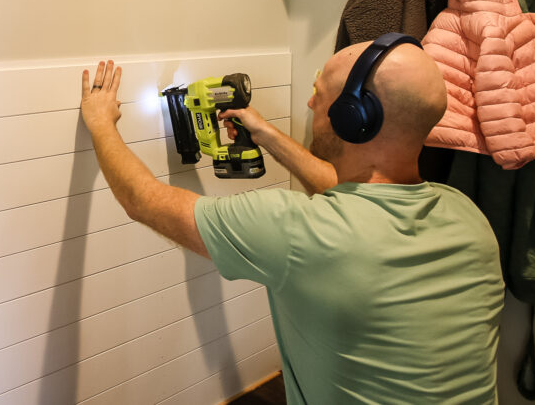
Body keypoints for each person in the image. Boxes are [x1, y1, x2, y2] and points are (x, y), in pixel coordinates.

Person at [79, 37, 504, 404]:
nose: (310, 101)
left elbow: (142, 200)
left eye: (320, 92)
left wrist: (101, 123)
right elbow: (353, 193)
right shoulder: (468, 218)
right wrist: (265, 134)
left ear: (353, 118)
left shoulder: (298, 231)